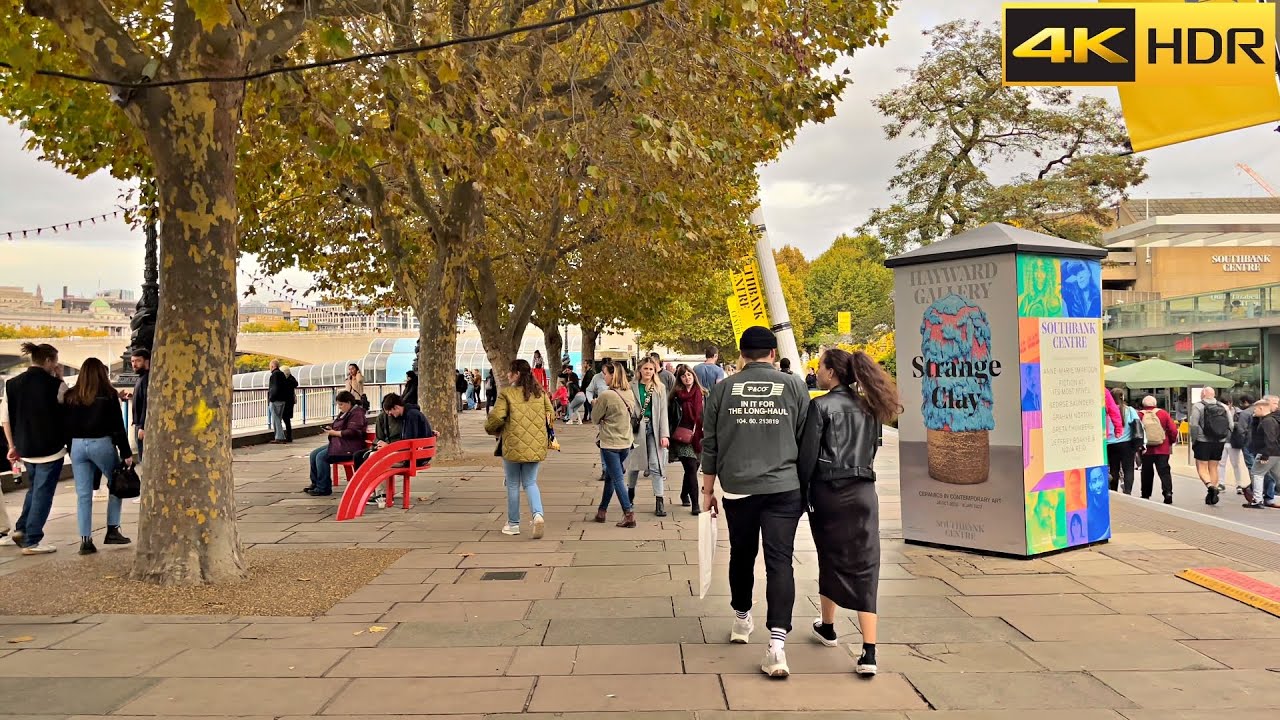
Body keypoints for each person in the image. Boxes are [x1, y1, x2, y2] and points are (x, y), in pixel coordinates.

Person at [701, 327, 811, 678]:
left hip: (738, 487)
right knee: (780, 562)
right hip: (784, 487)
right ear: (772, 351)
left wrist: (707, 490)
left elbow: (710, 443)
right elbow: (805, 435)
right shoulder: (794, 386)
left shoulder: (722, 390)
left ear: (742, 353)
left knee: (741, 553)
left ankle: (741, 619)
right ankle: (777, 645)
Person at [798, 348, 899, 677]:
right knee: (866, 566)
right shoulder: (870, 406)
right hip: (863, 492)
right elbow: (872, 449)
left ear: (830, 372)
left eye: (821, 367)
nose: (819, 372)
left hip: (829, 493)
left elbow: (807, 459)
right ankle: (869, 652)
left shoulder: (821, 406)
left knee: (830, 557)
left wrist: (801, 495)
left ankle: (828, 626)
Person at [0, 342, 68, 554]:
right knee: (43, 493)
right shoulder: (55, 384)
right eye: (55, 362)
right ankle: (32, 539)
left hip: (25, 447)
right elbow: (67, 407)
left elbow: (5, 420)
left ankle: (22, 529)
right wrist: (60, 378)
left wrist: (13, 446)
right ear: (48, 361)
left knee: (34, 489)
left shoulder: (12, 384)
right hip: (51, 447)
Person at [63, 357, 133, 555]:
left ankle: (85, 540)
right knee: (116, 484)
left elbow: (65, 427)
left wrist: (71, 447)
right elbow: (118, 426)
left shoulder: (70, 396)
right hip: (101, 443)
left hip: (77, 444)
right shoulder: (108, 395)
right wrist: (126, 452)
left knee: (83, 495)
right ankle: (112, 529)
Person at [485, 359, 552, 538]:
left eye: (510, 371)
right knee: (530, 482)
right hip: (536, 445)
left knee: (513, 484)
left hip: (513, 445)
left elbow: (496, 417)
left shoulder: (506, 394)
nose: (508, 374)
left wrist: (491, 429)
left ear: (517, 374)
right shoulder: (540, 394)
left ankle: (513, 524)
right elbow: (550, 415)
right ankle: (537, 515)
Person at [593, 361, 640, 527]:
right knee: (612, 477)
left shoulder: (606, 395)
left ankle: (629, 514)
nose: (603, 376)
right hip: (626, 441)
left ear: (613, 375)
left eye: (605, 373)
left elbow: (594, 418)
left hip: (610, 442)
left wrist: (595, 405)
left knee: (617, 478)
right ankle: (602, 510)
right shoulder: (628, 393)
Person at [626, 357, 671, 517]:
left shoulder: (659, 388)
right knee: (634, 465)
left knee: (655, 464)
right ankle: (629, 497)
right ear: (640, 370)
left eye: (651, 369)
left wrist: (665, 434)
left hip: (654, 429)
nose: (648, 372)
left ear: (655, 371)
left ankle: (659, 500)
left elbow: (663, 413)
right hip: (636, 429)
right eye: (645, 369)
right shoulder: (631, 387)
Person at [304, 390, 367, 497]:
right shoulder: (346, 412)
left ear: (349, 403)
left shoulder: (357, 414)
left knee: (321, 457)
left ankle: (323, 487)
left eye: (341, 404)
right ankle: (316, 483)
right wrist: (331, 429)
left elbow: (353, 432)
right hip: (341, 443)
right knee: (314, 454)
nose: (339, 407)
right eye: (338, 404)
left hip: (350, 447)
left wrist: (335, 432)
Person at [669, 364, 704, 515]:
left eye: (689, 374)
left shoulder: (702, 393)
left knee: (694, 467)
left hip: (700, 436)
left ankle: (684, 493)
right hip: (682, 436)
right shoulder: (676, 396)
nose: (686, 377)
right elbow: (671, 417)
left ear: (693, 375)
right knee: (690, 468)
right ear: (680, 379)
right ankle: (695, 505)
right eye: (683, 376)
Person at [1188, 387, 1233, 505]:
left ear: (1203, 394)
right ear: (1214, 395)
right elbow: (1231, 425)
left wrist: (1194, 440)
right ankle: (1213, 491)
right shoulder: (1223, 406)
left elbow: (1194, 425)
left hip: (1203, 440)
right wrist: (1223, 437)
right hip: (1219, 441)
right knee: (1214, 466)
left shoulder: (1198, 406)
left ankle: (1210, 486)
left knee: (1201, 466)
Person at [1138, 396, 1179, 504]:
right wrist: (1171, 441)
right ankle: (1168, 493)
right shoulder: (1163, 413)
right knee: (1164, 471)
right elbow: (1173, 430)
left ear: (1143, 404)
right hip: (1162, 448)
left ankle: (1145, 494)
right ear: (1155, 404)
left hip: (1145, 449)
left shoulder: (1140, 415)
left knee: (1146, 471)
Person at [1245, 395, 1280, 509]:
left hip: (1267, 452)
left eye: (1255, 409)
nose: (1253, 411)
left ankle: (1257, 500)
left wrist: (1265, 454)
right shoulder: (1271, 420)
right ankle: (1259, 499)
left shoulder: (1267, 421)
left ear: (1261, 408)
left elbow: (1270, 438)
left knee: (1257, 474)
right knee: (1277, 476)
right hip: (1275, 453)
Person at [1106, 388, 1139, 495]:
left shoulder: (1106, 411)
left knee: (1113, 468)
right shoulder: (1129, 410)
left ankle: (1113, 490)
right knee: (1128, 468)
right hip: (1126, 444)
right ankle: (1128, 491)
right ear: (1123, 397)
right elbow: (1138, 425)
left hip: (1110, 444)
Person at [1222, 394, 1251, 494]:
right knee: (1221, 463)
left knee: (1236, 464)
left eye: (1227, 403)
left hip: (1234, 441)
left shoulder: (1239, 412)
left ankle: (1239, 484)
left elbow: (1243, 426)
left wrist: (1233, 424)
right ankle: (1221, 483)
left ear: (1231, 403)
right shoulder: (1219, 412)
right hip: (1222, 440)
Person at [267, 359, 290, 444]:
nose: (270, 368)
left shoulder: (274, 375)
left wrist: (271, 398)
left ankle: (280, 437)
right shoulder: (282, 374)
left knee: (276, 419)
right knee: (278, 419)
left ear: (273, 366)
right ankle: (278, 436)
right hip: (282, 400)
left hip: (275, 400)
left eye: (270, 366)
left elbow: (274, 388)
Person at [281, 366, 299, 442]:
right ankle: (288, 436)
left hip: (285, 402)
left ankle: (287, 436)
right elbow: (296, 384)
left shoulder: (285, 381)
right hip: (290, 401)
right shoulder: (292, 379)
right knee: (287, 419)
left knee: (285, 419)